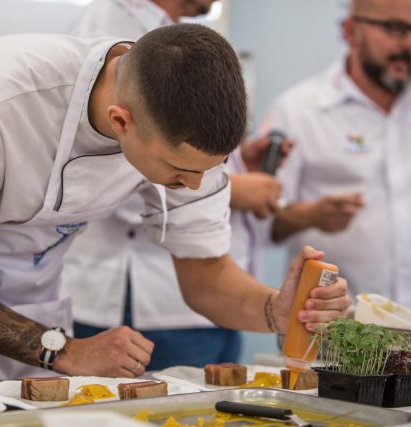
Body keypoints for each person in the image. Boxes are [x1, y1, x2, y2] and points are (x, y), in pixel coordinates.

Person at [0, 24, 350, 383]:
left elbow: (205, 277)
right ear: (121, 122)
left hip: (35, 319)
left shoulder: (183, 132)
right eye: (179, 172)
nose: (193, 185)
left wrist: (275, 311)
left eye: (208, 169)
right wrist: (63, 350)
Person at [67, 0, 287, 369]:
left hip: (208, 289)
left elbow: (173, 145)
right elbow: (108, 173)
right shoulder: (108, 32)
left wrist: (228, 167)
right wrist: (238, 189)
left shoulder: (182, 35)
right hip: (142, 298)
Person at [265, 0, 411, 314]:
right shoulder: (299, 111)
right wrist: (310, 215)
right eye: (394, 29)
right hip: (335, 330)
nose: (409, 44)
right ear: (351, 31)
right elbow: (264, 221)